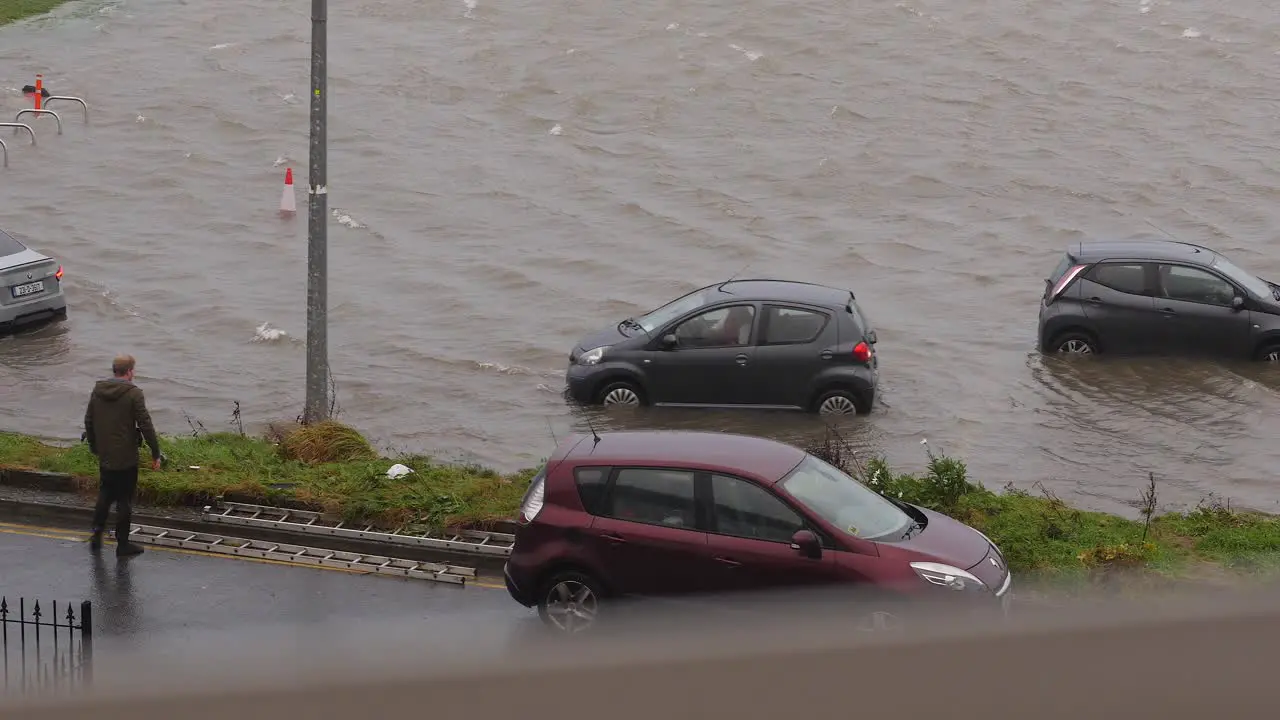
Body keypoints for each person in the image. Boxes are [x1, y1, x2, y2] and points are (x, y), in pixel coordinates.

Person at [84, 354, 161, 558]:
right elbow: (145, 424)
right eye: (133, 370)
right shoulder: (133, 394)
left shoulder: (98, 390)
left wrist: (94, 446)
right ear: (129, 372)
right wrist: (156, 453)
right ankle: (123, 544)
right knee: (124, 499)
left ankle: (96, 535)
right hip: (126, 456)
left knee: (105, 494)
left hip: (106, 454)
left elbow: (89, 420)